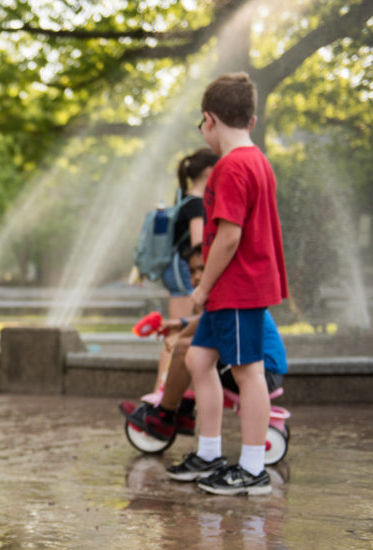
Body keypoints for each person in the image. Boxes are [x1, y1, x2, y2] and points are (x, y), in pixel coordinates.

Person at [168, 72, 289, 495]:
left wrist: (201, 289)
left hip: (237, 288)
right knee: (199, 362)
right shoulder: (256, 161)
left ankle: (252, 468)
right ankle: (210, 452)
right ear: (252, 120)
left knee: (248, 371)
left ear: (209, 120)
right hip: (233, 291)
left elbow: (230, 236)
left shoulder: (231, 167)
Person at [120, 246, 287, 443]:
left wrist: (180, 335)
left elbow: (209, 326)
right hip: (261, 367)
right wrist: (180, 324)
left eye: (202, 269)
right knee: (195, 353)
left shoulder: (227, 296)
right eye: (192, 271)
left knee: (187, 350)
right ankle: (183, 412)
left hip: (263, 372)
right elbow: (207, 319)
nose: (197, 276)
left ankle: (164, 416)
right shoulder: (224, 295)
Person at [154, 148, 220, 391]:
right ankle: (161, 392)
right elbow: (198, 246)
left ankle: (177, 393)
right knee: (177, 335)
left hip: (178, 271)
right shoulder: (196, 204)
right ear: (208, 171)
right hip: (185, 272)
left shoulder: (185, 200)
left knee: (186, 330)